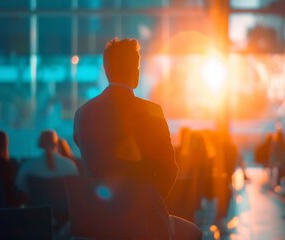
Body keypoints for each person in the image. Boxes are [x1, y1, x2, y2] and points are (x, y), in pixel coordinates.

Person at [73, 38, 202, 240]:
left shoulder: (82, 114)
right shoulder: (152, 112)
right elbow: (170, 168)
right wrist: (149, 204)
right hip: (142, 218)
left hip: (97, 220)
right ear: (136, 71)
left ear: (107, 71)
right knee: (194, 233)